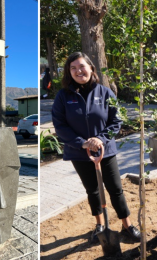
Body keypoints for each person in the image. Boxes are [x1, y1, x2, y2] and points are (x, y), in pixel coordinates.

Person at [52, 52, 140, 242]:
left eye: (81, 66)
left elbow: (116, 120)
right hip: (79, 153)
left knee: (115, 189)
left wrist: (100, 139)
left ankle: (127, 225)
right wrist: (82, 143)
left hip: (105, 151)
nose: (78, 71)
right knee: (92, 190)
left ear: (91, 68)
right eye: (73, 68)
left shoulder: (105, 92)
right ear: (69, 72)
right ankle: (100, 225)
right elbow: (59, 125)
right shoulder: (63, 96)